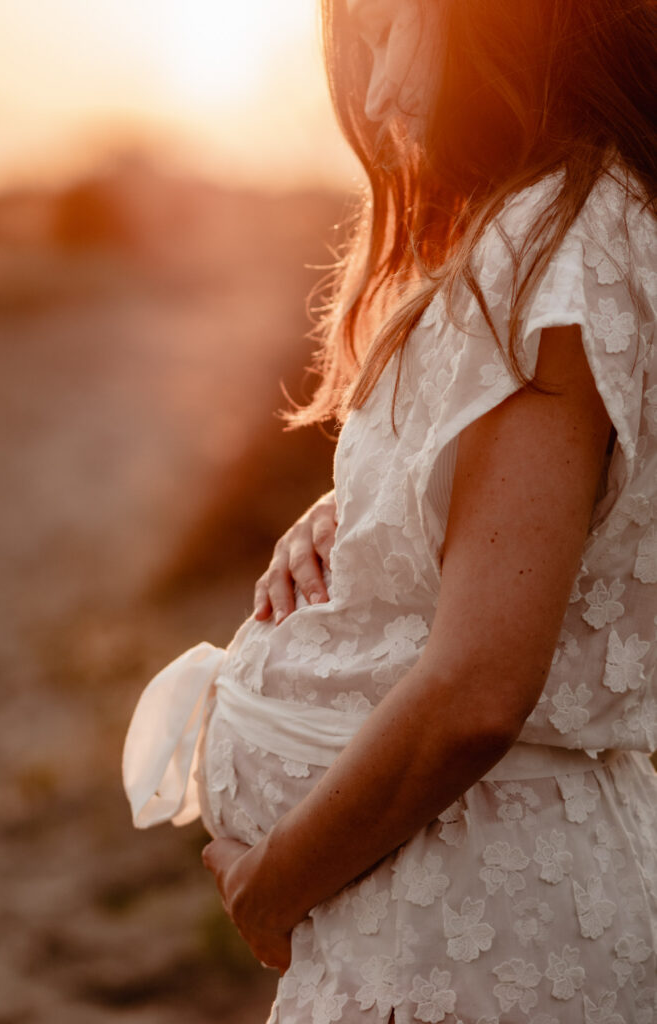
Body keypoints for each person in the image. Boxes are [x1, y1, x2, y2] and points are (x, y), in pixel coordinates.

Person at [123, 0, 657, 1019]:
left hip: (463, 927)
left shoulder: (554, 243)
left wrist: (270, 884)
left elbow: (478, 686)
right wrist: (366, 512)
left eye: (386, 30)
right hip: (434, 905)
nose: (373, 96)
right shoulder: (562, 222)